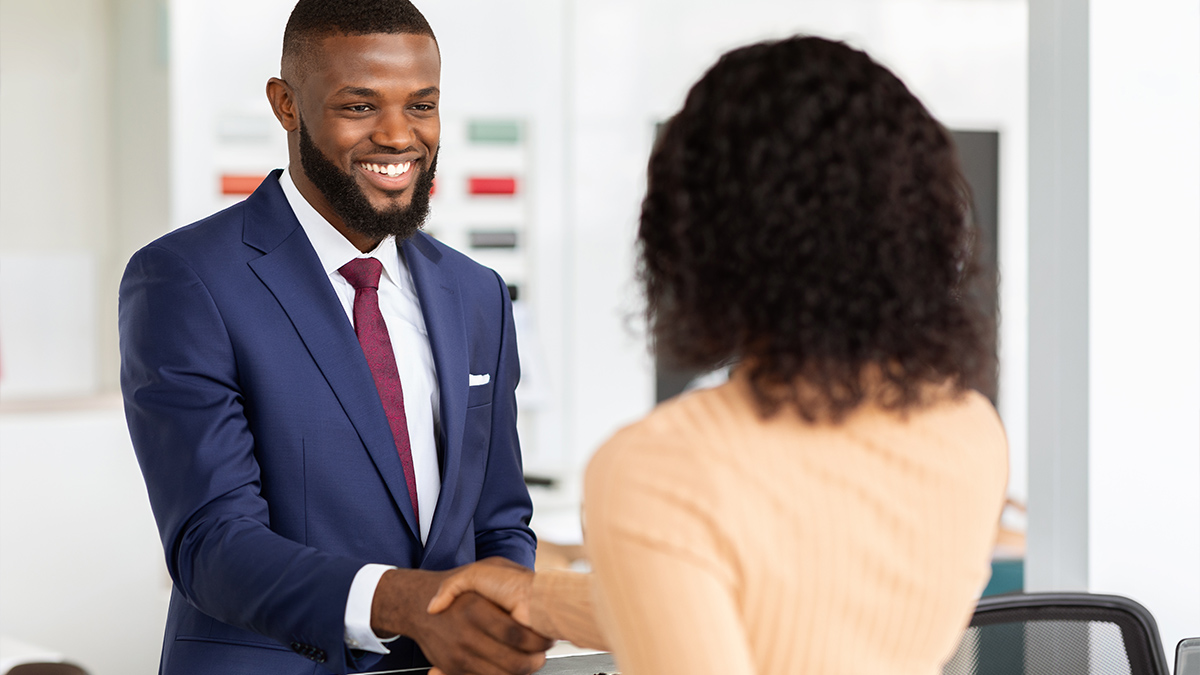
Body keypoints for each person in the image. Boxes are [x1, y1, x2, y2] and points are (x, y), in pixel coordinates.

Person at [427, 36, 1009, 675]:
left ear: (695, 229)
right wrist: (541, 597)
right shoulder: (967, 427)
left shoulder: (662, 468)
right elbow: (782, 602)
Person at [118, 1, 552, 673]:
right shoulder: (186, 278)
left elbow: (498, 517)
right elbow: (213, 542)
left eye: (421, 105)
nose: (398, 135)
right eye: (359, 107)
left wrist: (498, 614)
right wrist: (406, 603)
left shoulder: (477, 293)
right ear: (286, 104)